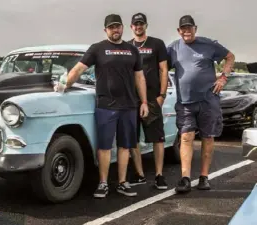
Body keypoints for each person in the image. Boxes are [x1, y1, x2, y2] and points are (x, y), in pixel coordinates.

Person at [55, 14, 149, 198]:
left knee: (125, 146)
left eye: (118, 26)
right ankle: (103, 183)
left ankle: (122, 182)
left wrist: (144, 101)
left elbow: (139, 77)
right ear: (105, 30)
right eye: (111, 27)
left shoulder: (132, 50)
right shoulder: (97, 48)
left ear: (123, 28)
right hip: (106, 105)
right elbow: (79, 68)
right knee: (104, 146)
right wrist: (64, 84)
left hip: (129, 105)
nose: (115, 30)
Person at [167, 15, 235, 193]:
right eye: (183, 28)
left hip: (208, 100)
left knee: (207, 137)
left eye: (189, 28)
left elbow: (230, 57)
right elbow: (160, 67)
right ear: (178, 30)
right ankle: (185, 178)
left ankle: (204, 177)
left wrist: (223, 77)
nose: (186, 31)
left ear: (195, 28)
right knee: (186, 137)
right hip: (185, 103)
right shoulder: (173, 48)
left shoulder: (209, 44)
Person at [127, 13, 169, 190]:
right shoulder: (127, 46)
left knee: (157, 139)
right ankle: (140, 174)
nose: (138, 27)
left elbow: (164, 70)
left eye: (141, 24)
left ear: (146, 25)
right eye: (135, 24)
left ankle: (159, 175)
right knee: (132, 139)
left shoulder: (156, 43)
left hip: (152, 99)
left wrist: (162, 95)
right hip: (131, 100)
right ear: (131, 27)